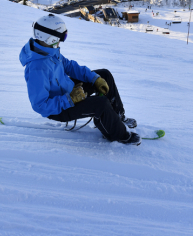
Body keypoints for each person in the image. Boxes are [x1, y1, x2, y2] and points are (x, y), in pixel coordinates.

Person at [19, 14, 140, 146]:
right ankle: (120, 135)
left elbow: (70, 66)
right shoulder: (37, 67)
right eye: (62, 37)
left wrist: (94, 79)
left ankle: (118, 116)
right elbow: (40, 105)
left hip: (69, 91)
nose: (62, 41)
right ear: (50, 38)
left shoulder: (48, 51)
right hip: (59, 108)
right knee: (100, 104)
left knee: (104, 75)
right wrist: (69, 99)